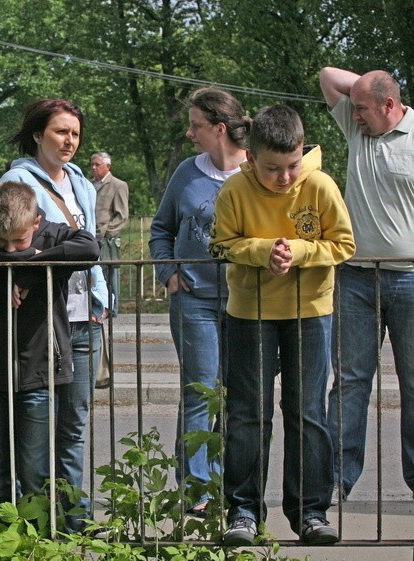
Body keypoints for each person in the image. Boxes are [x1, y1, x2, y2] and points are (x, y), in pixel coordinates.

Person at [209, 105, 355, 545]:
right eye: (272, 169)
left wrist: (299, 250)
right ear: (251, 158)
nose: (285, 178)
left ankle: (310, 512)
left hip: (310, 311)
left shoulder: (321, 185)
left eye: (292, 166)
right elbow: (221, 245)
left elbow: (344, 244)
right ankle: (243, 512)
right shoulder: (234, 190)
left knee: (308, 412)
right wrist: (262, 251)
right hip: (248, 314)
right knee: (247, 414)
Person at [0, 181, 100, 524]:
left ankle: (39, 540)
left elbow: (89, 247)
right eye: (2, 242)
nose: (11, 248)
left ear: (36, 222)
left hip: (40, 373)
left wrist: (32, 268)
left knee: (34, 471)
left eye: (19, 241)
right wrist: (9, 265)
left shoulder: (53, 235)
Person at [0, 98, 108, 533]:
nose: (69, 141)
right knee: (37, 423)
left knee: (75, 424)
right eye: (61, 132)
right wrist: (25, 271)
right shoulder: (17, 179)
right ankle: (38, 521)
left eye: (75, 134)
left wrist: (99, 301)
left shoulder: (82, 181)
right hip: (45, 319)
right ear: (38, 134)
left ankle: (76, 518)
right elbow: (5, 239)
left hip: (85, 316)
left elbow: (90, 245)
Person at [149, 87, 250, 515]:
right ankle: (196, 492)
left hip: (247, 302)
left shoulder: (257, 173)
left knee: (239, 395)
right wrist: (168, 273)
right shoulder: (187, 173)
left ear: (220, 129)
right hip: (194, 301)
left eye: (196, 126)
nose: (190, 133)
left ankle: (229, 480)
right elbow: (161, 228)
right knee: (199, 392)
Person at [319, 67, 414, 503]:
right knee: (352, 382)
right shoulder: (358, 130)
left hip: (411, 279)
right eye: (352, 107)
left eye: (362, 108)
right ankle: (336, 481)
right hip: (356, 277)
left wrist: (375, 92)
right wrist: (367, 91)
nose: (352, 114)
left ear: (390, 107)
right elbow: (327, 75)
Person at [90, 152, 129, 316]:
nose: (93, 168)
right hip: (91, 235)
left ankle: (112, 308)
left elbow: (122, 215)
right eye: (92, 164)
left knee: (110, 272)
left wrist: (108, 232)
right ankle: (99, 305)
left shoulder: (118, 185)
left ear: (108, 166)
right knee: (95, 273)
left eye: (97, 165)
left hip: (107, 239)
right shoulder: (89, 184)